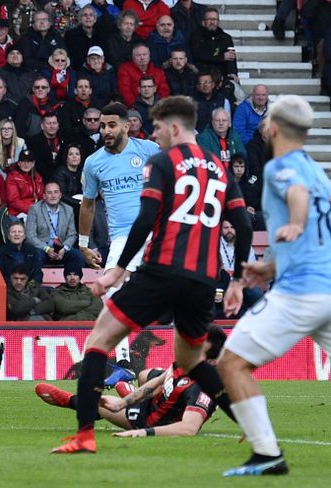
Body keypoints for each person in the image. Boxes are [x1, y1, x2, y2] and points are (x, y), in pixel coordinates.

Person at [50, 96, 252, 454]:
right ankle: (254, 427)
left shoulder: (161, 161)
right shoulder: (219, 166)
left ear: (174, 127)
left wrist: (118, 270)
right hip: (203, 278)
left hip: (162, 268)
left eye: (157, 127)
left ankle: (84, 434)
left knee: (98, 340)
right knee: (191, 361)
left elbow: (145, 220)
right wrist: (235, 279)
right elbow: (243, 225)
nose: (153, 134)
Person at [215, 95, 331, 476]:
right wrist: (269, 266)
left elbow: (296, 197)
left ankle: (267, 454)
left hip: (300, 294)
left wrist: (294, 221)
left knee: (231, 363)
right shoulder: (319, 173)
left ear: (274, 128)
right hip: (325, 287)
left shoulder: (281, 167)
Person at [37, 324, 226, 436]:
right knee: (145, 375)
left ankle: (72, 401)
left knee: (98, 403)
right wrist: (124, 402)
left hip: (150, 422)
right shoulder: (188, 361)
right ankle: (130, 398)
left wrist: (143, 432)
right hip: (154, 403)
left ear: (210, 360)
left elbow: (189, 428)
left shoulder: (204, 388)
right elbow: (159, 380)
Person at [77, 102, 159, 278]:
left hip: (156, 232)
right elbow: (88, 204)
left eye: (112, 125)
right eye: (103, 126)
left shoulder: (148, 150)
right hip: (121, 237)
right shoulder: (93, 163)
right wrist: (83, 244)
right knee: (113, 294)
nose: (106, 131)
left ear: (126, 126)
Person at [25, 181, 84, 270]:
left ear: (60, 195)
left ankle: (74, 282)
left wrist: (64, 249)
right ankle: (35, 283)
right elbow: (30, 236)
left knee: (78, 256)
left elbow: (72, 234)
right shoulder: (34, 209)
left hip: (61, 249)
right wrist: (47, 249)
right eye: (49, 193)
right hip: (42, 248)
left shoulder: (68, 210)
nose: (53, 196)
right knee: (36, 256)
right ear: (44, 196)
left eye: (56, 192)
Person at [0, 220, 43, 287]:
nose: (17, 234)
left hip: (29, 289)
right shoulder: (0, 252)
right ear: (8, 236)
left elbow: (37, 274)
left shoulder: (32, 251)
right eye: (13, 232)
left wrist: (29, 286)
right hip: (9, 290)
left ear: (24, 236)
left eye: (20, 232)